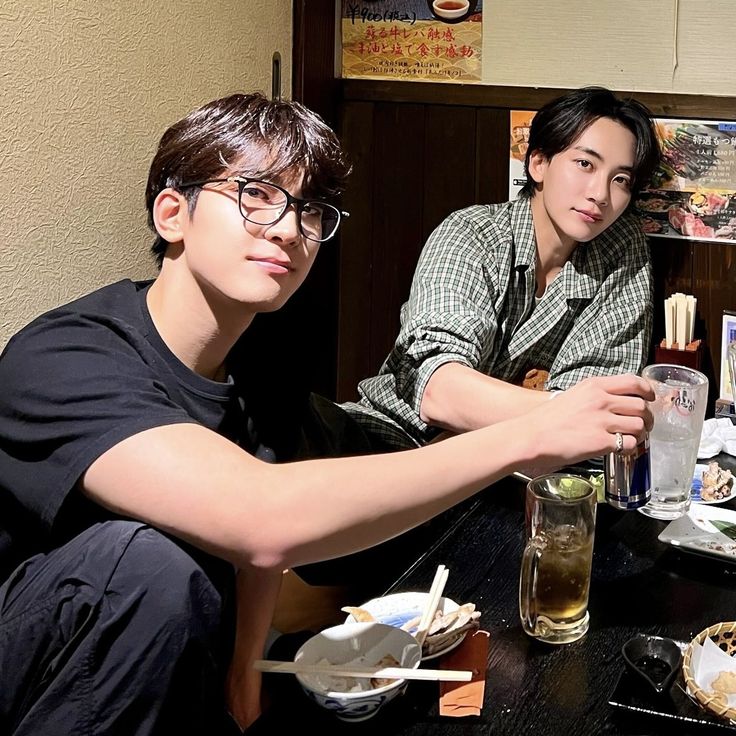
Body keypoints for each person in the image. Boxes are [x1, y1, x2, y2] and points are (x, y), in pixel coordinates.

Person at [0, 92, 654, 735]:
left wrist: (243, 680)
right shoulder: (64, 355)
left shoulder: (260, 344)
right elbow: (261, 517)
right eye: (256, 195)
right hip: (39, 658)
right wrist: (526, 433)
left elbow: (255, 542)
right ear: (172, 213)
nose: (289, 228)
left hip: (166, 649)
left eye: (311, 210)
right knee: (148, 562)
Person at [344, 86, 661, 449]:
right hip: (393, 440)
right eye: (585, 164)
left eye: (620, 179)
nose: (601, 194)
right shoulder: (472, 234)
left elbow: (599, 392)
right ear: (538, 163)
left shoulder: (620, 249)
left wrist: (572, 416)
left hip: (522, 464)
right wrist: (564, 411)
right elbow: (439, 390)